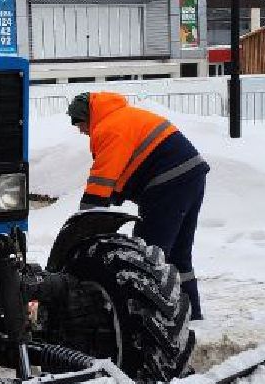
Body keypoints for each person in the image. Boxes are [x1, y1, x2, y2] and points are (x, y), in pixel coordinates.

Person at [70, 91, 209, 319]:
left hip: (167, 182)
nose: (80, 130)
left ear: (88, 117)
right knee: (178, 254)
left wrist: (82, 223)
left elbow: (101, 181)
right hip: (191, 175)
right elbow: (123, 173)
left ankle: (150, 320)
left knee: (146, 256)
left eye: (80, 124)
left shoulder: (108, 128)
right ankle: (191, 316)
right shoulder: (124, 117)